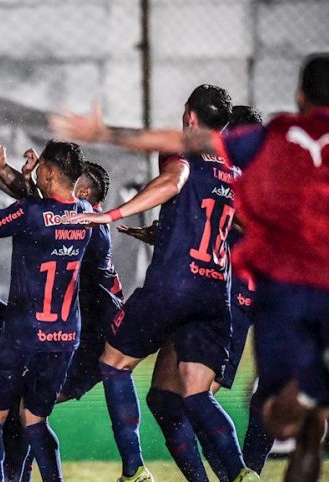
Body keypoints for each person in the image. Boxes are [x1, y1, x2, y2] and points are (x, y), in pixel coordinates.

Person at [50, 53, 329, 482]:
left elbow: (187, 177)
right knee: (312, 412)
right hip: (321, 295)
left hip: (240, 289)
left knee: (187, 398)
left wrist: (109, 154)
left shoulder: (262, 148)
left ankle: (229, 470)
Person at [72, 85, 256, 482]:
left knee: (114, 364)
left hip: (174, 284)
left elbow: (174, 182)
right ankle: (243, 473)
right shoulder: (233, 169)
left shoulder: (181, 150)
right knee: (193, 395)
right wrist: (168, 230)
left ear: (189, 116)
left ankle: (134, 470)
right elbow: (232, 221)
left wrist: (112, 215)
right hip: (214, 293)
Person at [0, 141, 92, 482]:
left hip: (23, 334)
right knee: (35, 419)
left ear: (50, 173)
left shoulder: (29, 213)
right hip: (64, 337)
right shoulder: (85, 214)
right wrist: (34, 182)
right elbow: (52, 211)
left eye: (42, 169)